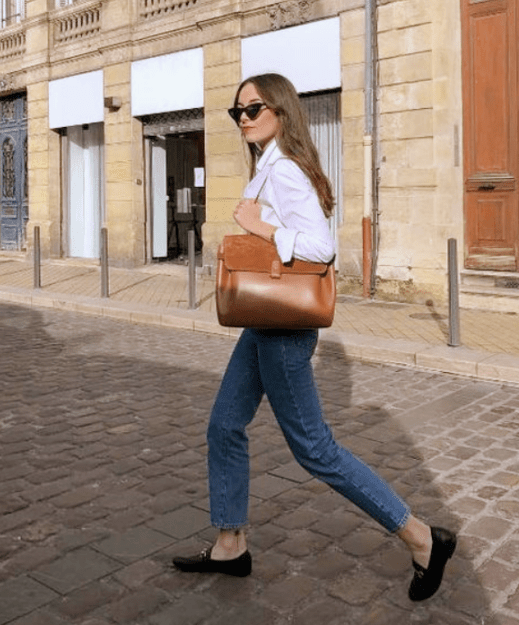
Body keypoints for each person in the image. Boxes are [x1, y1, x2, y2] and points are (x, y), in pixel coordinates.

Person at [173, 73, 457, 601]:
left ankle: (421, 538)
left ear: (280, 109)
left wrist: (258, 227)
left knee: (316, 450)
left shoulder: (283, 170)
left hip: (283, 330)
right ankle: (230, 543)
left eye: (253, 109)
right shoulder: (271, 165)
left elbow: (320, 248)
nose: (243, 120)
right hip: (265, 323)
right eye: (237, 112)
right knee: (224, 426)